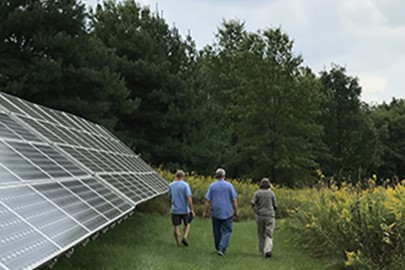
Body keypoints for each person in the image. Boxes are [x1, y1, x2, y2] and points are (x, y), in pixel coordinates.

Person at [203, 168, 238, 256]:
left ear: (216, 176)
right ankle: (222, 248)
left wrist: (205, 212)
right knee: (226, 231)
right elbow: (234, 200)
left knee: (216, 231)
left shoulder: (212, 186)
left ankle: (218, 247)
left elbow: (208, 200)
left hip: (215, 211)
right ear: (224, 176)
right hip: (227, 212)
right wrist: (235, 211)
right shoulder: (229, 186)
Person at [251, 178, 277, 258]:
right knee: (269, 233)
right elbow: (275, 205)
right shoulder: (271, 193)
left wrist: (256, 211)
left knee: (261, 234)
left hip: (260, 215)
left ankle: (261, 251)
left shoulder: (257, 193)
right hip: (270, 215)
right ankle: (268, 250)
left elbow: (253, 203)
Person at [168, 170, 195, 246]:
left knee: (176, 226)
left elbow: (170, 196)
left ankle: (178, 243)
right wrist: (191, 209)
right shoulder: (185, 185)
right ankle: (185, 237)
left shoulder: (171, 185)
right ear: (183, 177)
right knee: (187, 224)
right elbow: (189, 198)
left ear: (176, 176)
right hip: (185, 209)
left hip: (175, 209)